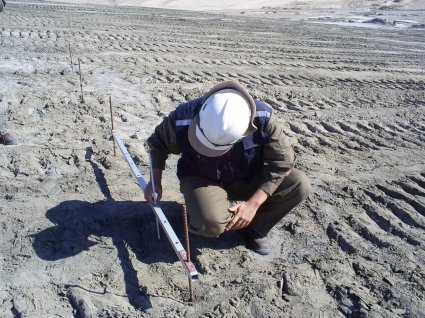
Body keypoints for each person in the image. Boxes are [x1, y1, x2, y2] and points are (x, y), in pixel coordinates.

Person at [144, 81, 310, 255]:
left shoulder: (263, 118)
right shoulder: (182, 118)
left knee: (299, 184)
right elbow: (158, 145)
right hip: (202, 179)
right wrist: (155, 182)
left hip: (248, 177)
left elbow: (282, 162)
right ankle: (211, 214)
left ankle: (253, 227)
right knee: (210, 224)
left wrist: (253, 204)